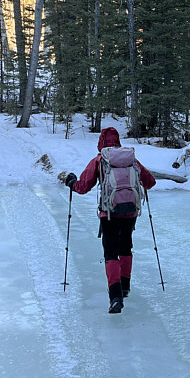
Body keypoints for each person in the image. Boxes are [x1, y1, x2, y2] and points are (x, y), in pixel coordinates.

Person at [63, 127, 156, 314]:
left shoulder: (100, 160)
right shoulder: (130, 159)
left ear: (101, 142)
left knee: (111, 252)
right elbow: (150, 181)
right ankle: (125, 286)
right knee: (126, 248)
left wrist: (71, 182)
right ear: (118, 140)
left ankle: (115, 296)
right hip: (130, 212)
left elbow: (83, 187)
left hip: (110, 214)